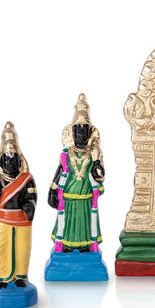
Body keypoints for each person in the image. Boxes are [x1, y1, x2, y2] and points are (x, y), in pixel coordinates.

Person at [48, 94, 105, 253]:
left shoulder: (94, 152)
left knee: (85, 221)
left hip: (86, 195)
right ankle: (66, 244)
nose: (80, 133)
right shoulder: (66, 153)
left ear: (90, 132)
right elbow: (60, 170)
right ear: (71, 132)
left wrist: (98, 170)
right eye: (77, 129)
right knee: (68, 221)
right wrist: (52, 189)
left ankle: (86, 245)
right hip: (68, 195)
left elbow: (99, 173)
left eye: (84, 129)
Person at [0, 122, 37, 289]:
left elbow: (31, 196)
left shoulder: (26, 179)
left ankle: (21, 276)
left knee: (22, 249)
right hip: (2, 220)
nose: (11, 161)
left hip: (21, 220)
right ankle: (3, 277)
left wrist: (29, 205)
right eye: (7, 158)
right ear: (1, 160)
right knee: (1, 249)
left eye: (14, 158)